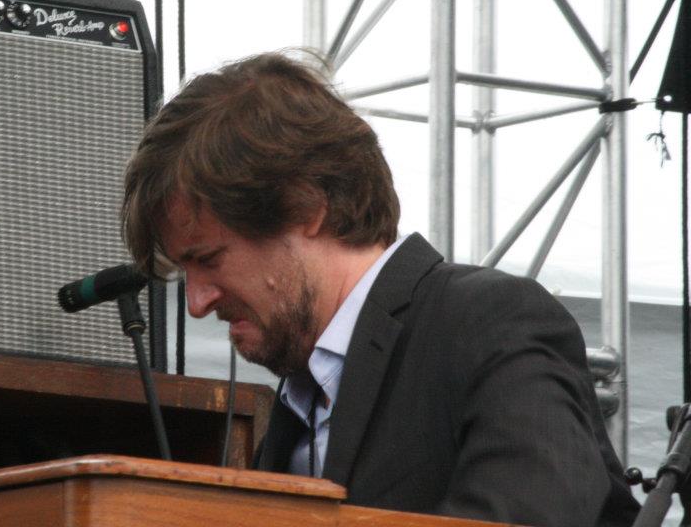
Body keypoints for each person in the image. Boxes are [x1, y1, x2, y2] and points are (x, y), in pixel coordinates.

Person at [121, 52, 640, 527]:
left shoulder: (489, 319)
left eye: (209, 258)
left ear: (306, 206)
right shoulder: (301, 398)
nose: (196, 303)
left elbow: (535, 513)